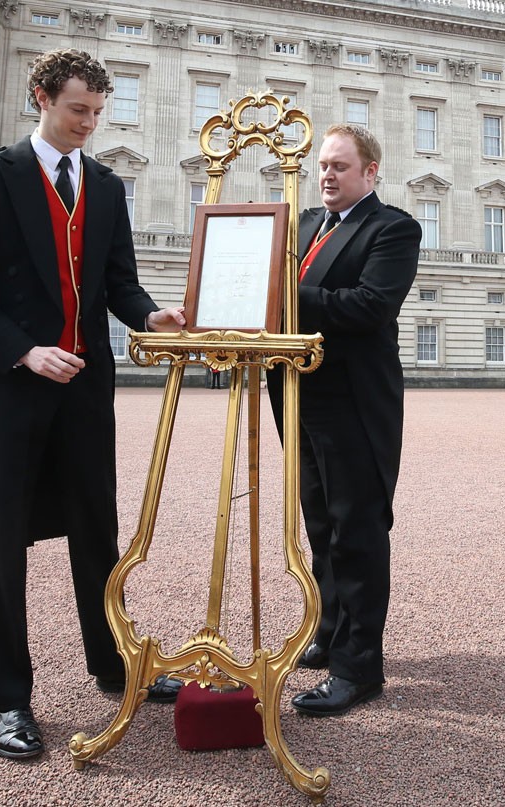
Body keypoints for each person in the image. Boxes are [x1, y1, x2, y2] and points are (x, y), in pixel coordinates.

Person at [0, 48, 185, 760]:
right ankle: (8, 700)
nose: (89, 124)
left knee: (96, 532)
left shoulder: (106, 186)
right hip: (13, 388)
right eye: (78, 110)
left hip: (84, 390)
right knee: (1, 543)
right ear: (41, 97)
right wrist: (23, 349)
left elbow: (119, 283)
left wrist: (151, 316)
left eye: (98, 113)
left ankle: (113, 666)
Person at [267, 124, 421, 716]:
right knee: (319, 523)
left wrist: (281, 285)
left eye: (339, 166)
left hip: (354, 399)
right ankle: (331, 631)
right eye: (322, 166)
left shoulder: (392, 228)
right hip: (300, 393)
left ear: (370, 172)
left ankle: (360, 666)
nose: (326, 175)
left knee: (356, 529)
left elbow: (369, 306)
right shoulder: (304, 226)